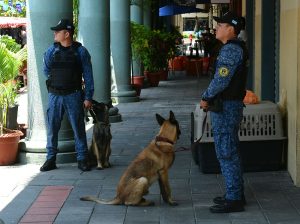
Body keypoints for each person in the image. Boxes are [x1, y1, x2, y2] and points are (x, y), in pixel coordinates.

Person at [200, 12, 248, 213]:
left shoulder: (231, 50)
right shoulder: (232, 48)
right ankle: (234, 193)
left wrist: (206, 97)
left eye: (220, 25)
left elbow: (221, 80)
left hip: (226, 106)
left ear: (231, 28)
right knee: (228, 150)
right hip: (229, 105)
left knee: (226, 152)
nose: (217, 28)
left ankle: (234, 198)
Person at [40, 19, 94, 172]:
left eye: (58, 31)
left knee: (78, 127)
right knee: (52, 127)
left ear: (67, 34)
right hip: (55, 95)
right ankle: (50, 159)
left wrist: (88, 97)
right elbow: (46, 70)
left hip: (74, 95)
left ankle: (82, 158)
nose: (55, 33)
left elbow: (88, 76)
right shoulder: (52, 50)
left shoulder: (81, 52)